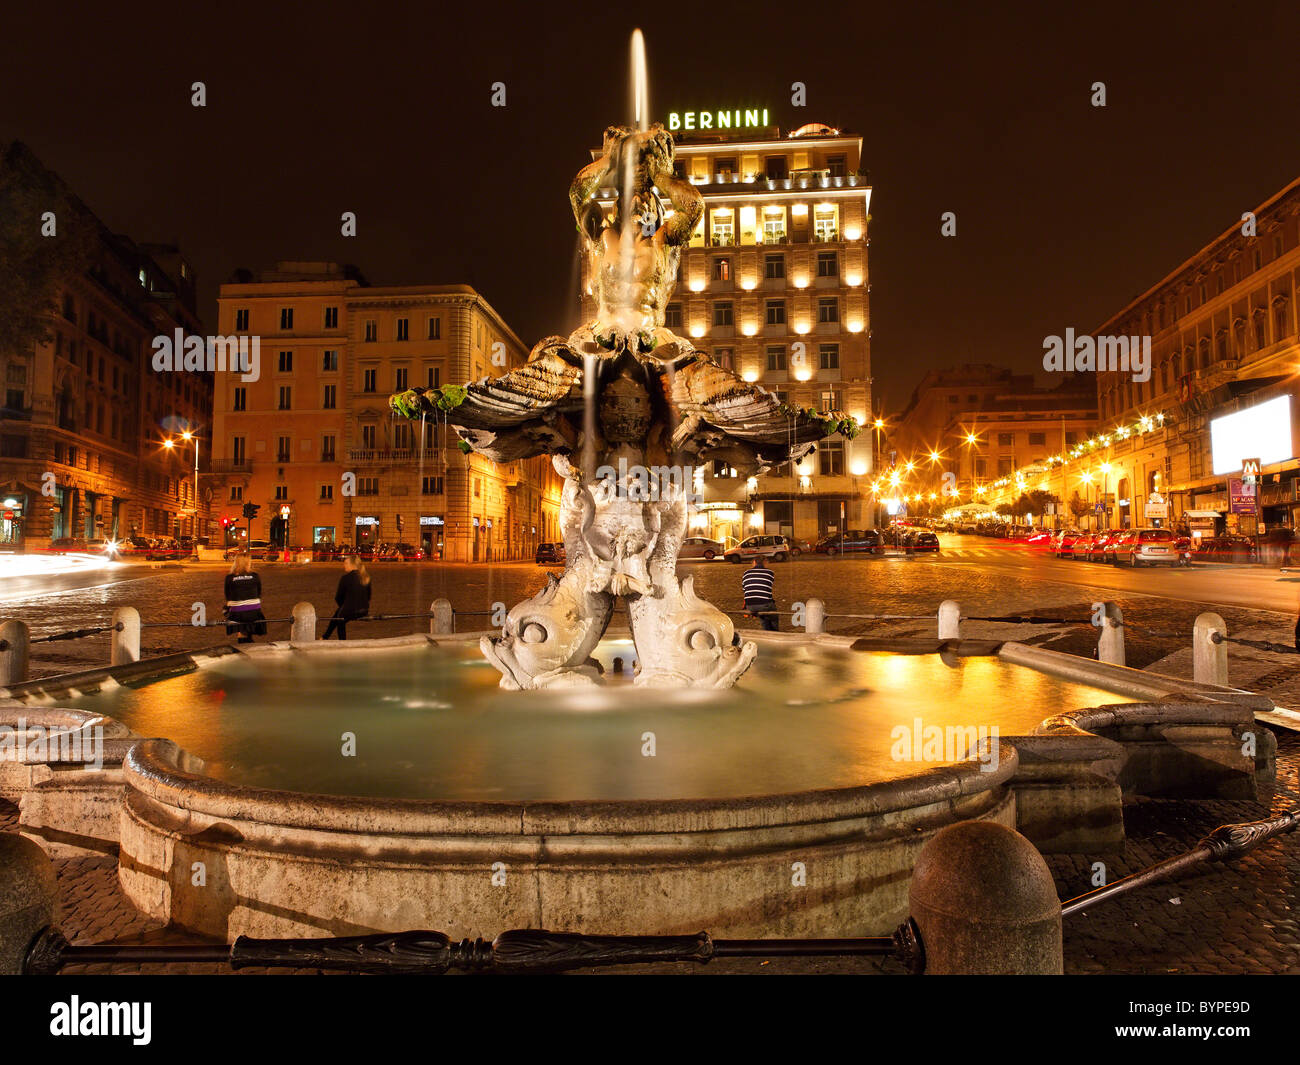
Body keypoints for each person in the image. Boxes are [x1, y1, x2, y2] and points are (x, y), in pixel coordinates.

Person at [323, 555, 372, 640]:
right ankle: (325, 636)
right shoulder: (366, 577)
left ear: (352, 565)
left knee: (339, 619)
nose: (344, 565)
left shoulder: (345, 578)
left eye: (346, 563)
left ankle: (342, 642)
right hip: (364, 610)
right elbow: (368, 596)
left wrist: (344, 606)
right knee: (338, 613)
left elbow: (338, 597)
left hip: (351, 610)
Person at [224, 553, 267, 644]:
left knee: (232, 613)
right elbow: (259, 594)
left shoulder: (229, 578)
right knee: (248, 619)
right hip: (254, 612)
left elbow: (228, 596)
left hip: (237, 613)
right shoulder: (255, 576)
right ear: (248, 563)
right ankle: (248, 641)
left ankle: (243, 643)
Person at [741, 556, 779, 632]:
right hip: (764, 604)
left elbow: (744, 589)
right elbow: (768, 587)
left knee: (763, 615)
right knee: (774, 616)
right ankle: (775, 633)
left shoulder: (746, 573)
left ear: (754, 562)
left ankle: (766, 631)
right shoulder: (770, 573)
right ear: (765, 562)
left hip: (750, 605)